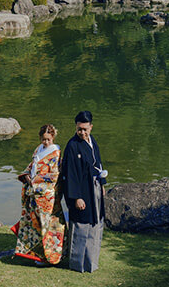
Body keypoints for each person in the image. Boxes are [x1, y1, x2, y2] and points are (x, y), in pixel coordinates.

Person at [58, 110, 107, 272]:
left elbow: (98, 164)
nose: (82, 132)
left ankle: (91, 262)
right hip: (80, 190)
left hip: (94, 188)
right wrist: (76, 197)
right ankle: (78, 263)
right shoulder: (72, 146)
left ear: (91, 127)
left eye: (85, 129)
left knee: (95, 222)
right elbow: (69, 174)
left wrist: (103, 184)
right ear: (76, 127)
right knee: (81, 224)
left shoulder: (92, 141)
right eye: (79, 129)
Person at [12, 124, 65, 265]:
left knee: (48, 226)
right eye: (43, 139)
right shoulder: (38, 149)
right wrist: (27, 175)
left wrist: (35, 181)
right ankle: (37, 254)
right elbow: (32, 165)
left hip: (47, 195)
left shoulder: (56, 153)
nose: (45, 142)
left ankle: (51, 257)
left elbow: (54, 176)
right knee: (35, 224)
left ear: (53, 137)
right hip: (34, 192)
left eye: (48, 139)